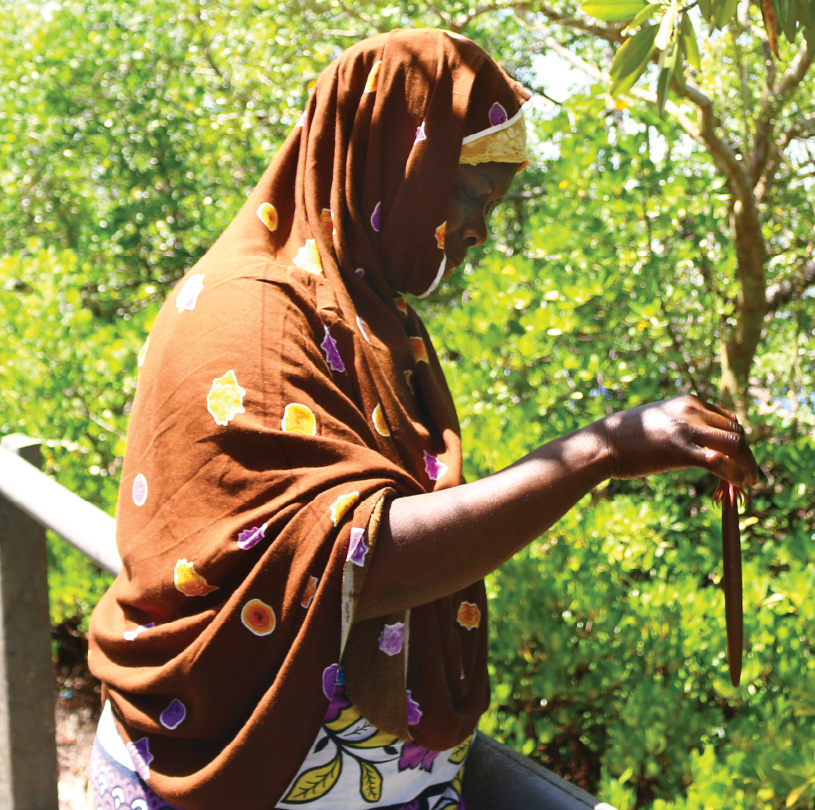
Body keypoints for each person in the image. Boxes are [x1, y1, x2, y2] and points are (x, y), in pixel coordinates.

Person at [85, 28, 758, 810]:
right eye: (468, 192)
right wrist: (598, 453)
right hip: (233, 782)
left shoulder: (364, 310)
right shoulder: (254, 315)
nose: (478, 229)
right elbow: (347, 561)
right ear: (392, 157)